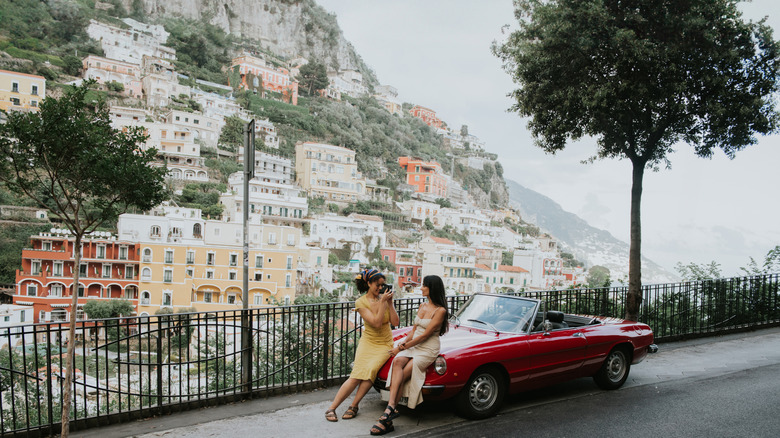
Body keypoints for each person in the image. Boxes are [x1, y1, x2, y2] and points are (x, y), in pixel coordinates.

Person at [370, 275, 449, 436]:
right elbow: (414, 331)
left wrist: (401, 347)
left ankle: (388, 413)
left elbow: (425, 336)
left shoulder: (440, 311)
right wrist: (402, 346)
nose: (421, 288)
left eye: (424, 285)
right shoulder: (422, 305)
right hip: (414, 344)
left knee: (404, 374)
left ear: (431, 288)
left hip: (428, 349)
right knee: (398, 362)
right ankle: (390, 410)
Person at [325, 268, 399, 423]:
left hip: (385, 343)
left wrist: (389, 304)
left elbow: (395, 322)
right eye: (377, 285)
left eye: (382, 285)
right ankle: (332, 408)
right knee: (357, 374)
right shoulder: (361, 302)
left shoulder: (384, 299)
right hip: (368, 341)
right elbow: (377, 323)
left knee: (370, 371)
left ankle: (354, 405)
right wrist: (383, 302)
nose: (380, 288)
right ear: (368, 283)